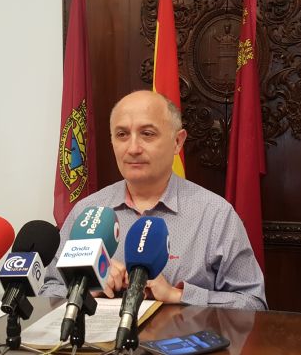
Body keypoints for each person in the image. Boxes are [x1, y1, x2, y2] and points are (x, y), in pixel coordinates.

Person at [40, 90, 266, 309]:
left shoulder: (215, 214)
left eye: (147, 134)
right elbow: (49, 289)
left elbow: (253, 302)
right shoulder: (87, 212)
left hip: (180, 335)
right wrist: (86, 288)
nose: (133, 148)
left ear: (177, 142)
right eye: (122, 134)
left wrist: (178, 295)